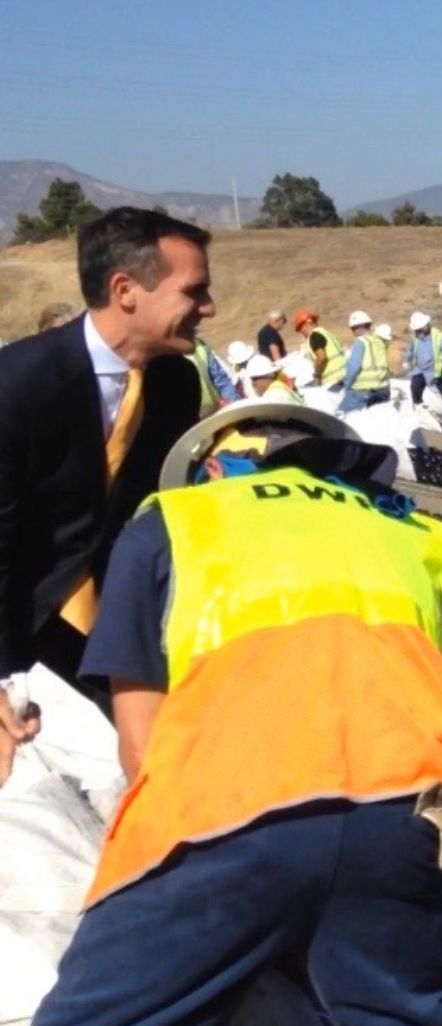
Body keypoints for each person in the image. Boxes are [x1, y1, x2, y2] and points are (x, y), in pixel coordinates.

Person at [0, 401, 442, 1026]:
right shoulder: (411, 532)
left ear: (212, 464)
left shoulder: (175, 523)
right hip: (405, 812)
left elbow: (141, 738)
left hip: (225, 814)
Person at [0, 208, 211, 789]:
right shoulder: (17, 387)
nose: (209, 307)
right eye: (194, 291)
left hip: (114, 612)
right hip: (21, 614)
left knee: (161, 755)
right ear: (125, 291)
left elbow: (151, 509)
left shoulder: (174, 383)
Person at [406, 311, 442, 426]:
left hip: (437, 373)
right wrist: (407, 362)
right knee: (415, 386)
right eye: (417, 330)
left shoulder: (439, 337)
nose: (419, 332)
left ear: (427, 325)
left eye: (421, 329)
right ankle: (418, 408)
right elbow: (409, 352)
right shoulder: (414, 337)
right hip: (420, 371)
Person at [338, 311, 391, 411]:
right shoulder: (380, 342)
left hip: (363, 393)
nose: (352, 332)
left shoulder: (361, 342)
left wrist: (347, 385)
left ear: (358, 327)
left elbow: (353, 367)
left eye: (352, 329)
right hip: (383, 391)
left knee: (343, 416)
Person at [292, 308, 346, 390]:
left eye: (300, 329)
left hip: (334, 380)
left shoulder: (314, 335)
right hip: (345, 374)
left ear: (306, 325)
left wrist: (317, 374)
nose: (301, 333)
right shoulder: (325, 332)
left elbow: (321, 357)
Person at [188, 334, 241, 416]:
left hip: (216, 413)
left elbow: (222, 381)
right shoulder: (163, 356)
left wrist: (233, 406)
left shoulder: (200, 345)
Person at [238, 351, 303, 404]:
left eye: (255, 379)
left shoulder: (274, 396)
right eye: (251, 379)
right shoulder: (278, 387)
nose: (252, 383)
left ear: (268, 376)